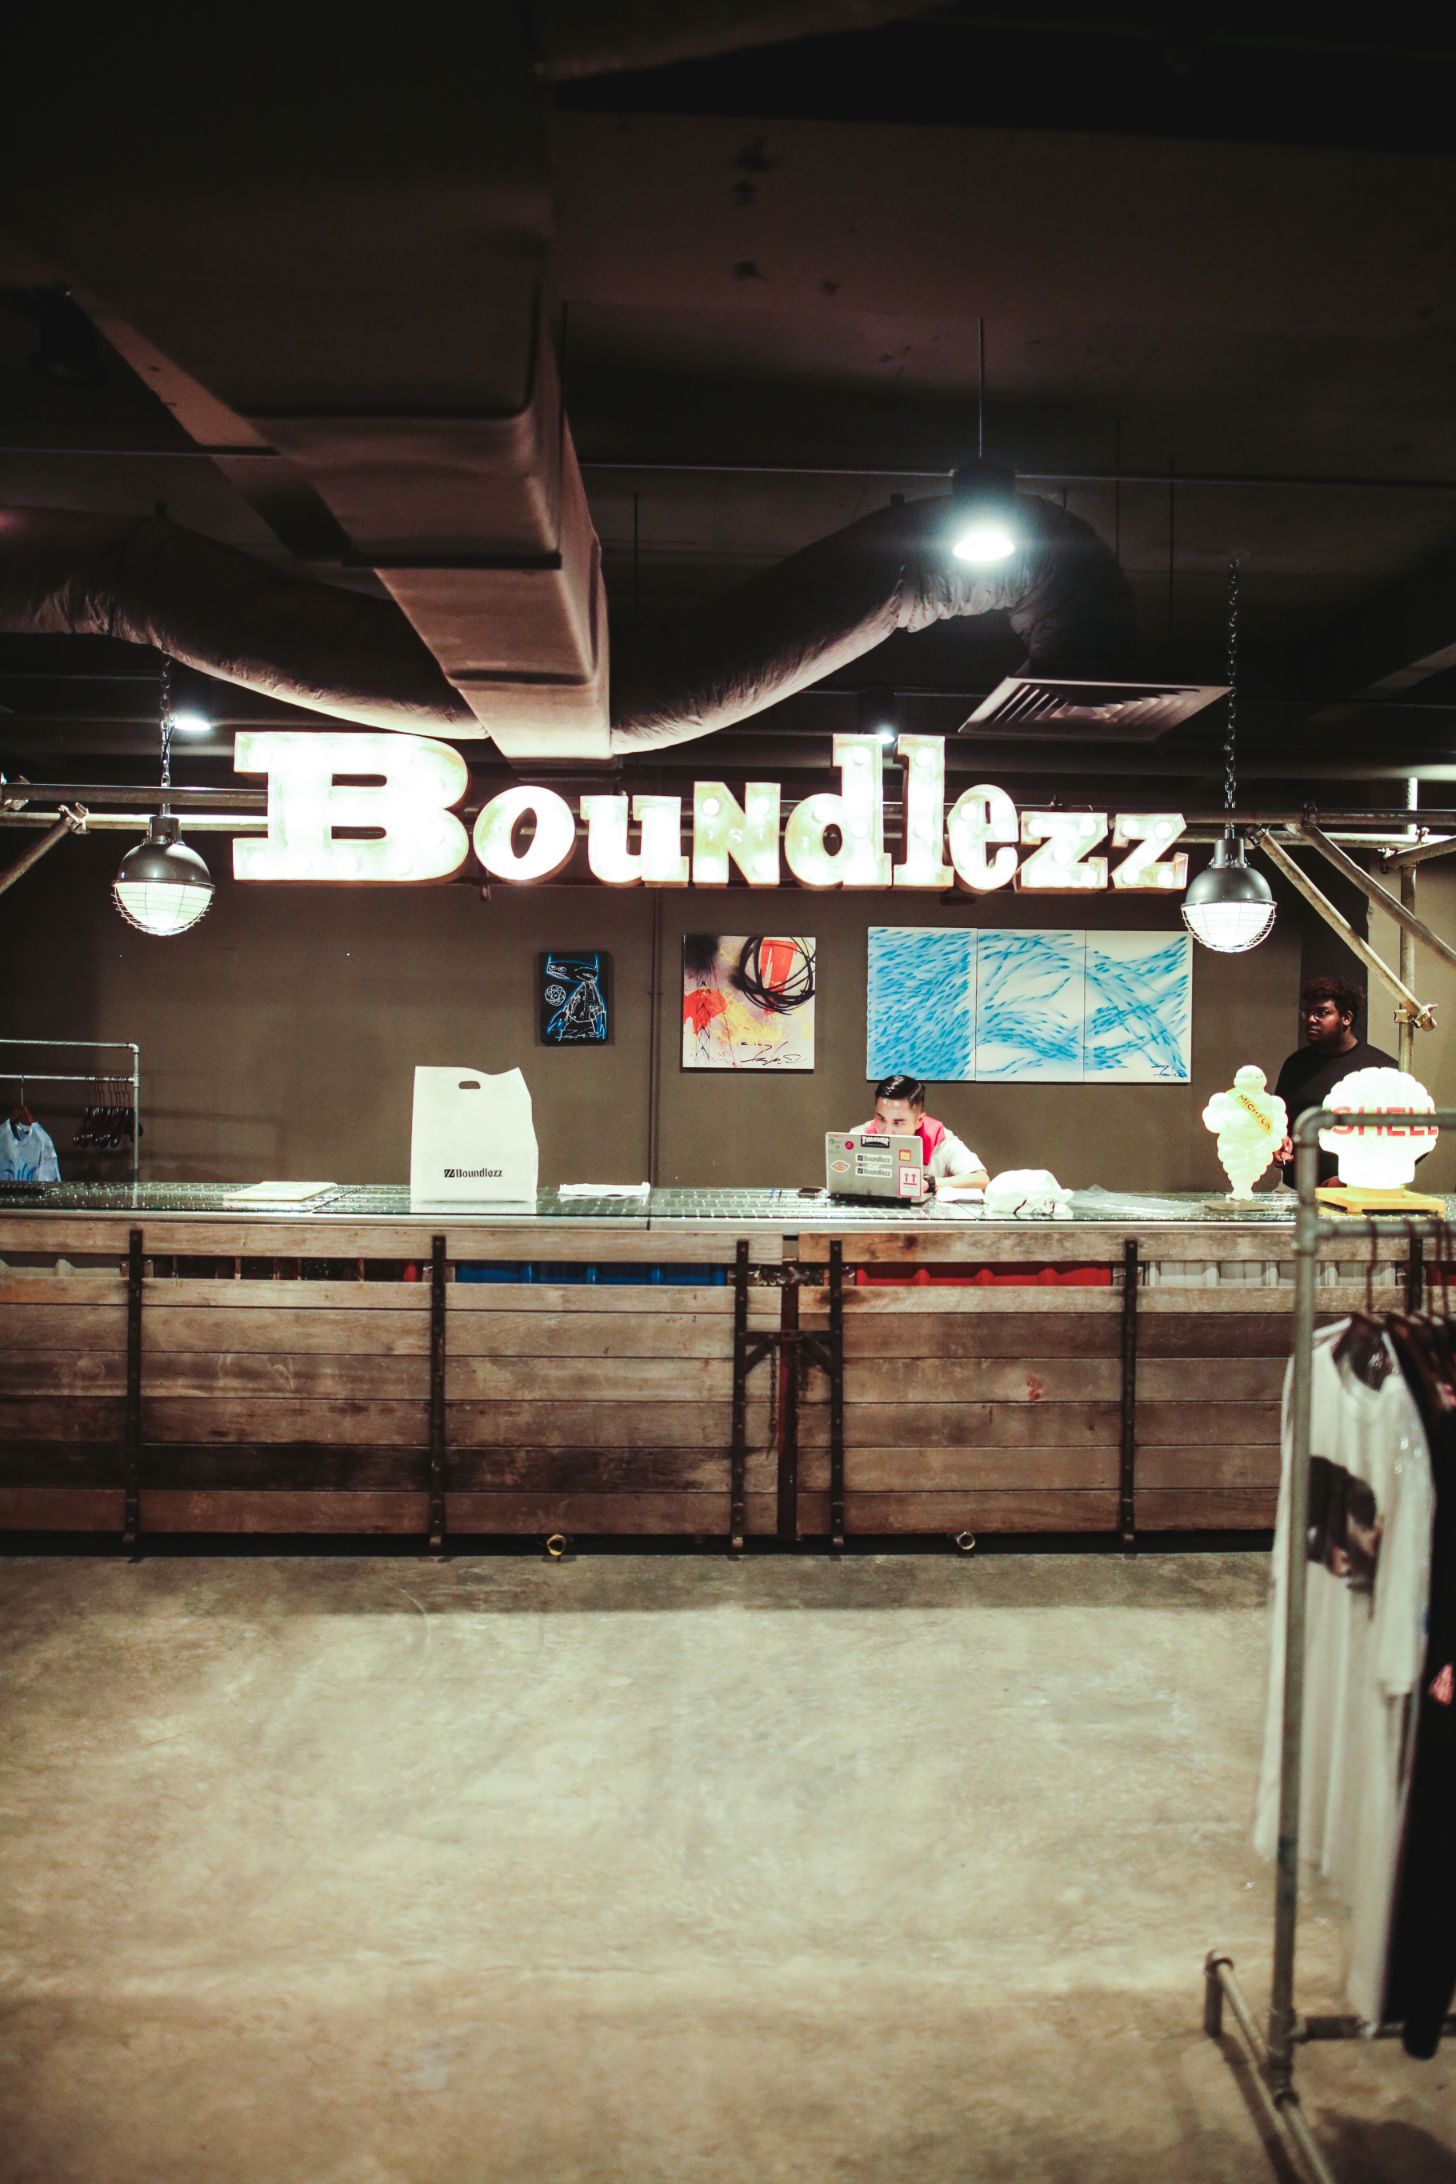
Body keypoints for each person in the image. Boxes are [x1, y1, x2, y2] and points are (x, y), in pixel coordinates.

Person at [1272, 974, 1396, 1187]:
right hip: (1294, 1189)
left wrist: (1350, 1179)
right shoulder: (1296, 1064)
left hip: (1356, 1192)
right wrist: (1278, 1141)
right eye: (1308, 1012)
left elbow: (1406, 1142)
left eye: (1322, 1013)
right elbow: (1277, 1119)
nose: (1311, 1019)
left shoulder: (1381, 1069)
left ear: (1346, 1018)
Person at [855, 1073, 989, 1195]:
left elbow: (981, 1179)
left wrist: (930, 1183)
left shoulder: (939, 1138)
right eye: (881, 1119)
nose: (887, 1131)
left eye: (898, 1122)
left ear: (919, 1121)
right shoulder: (859, 1136)